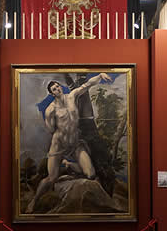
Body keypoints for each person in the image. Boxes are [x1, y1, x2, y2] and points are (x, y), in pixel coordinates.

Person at [27, 73, 112, 212]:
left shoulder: (72, 96)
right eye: (54, 89)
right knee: (52, 178)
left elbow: (87, 85)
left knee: (90, 174)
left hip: (75, 143)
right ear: (51, 93)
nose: (58, 89)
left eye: (58, 86)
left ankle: (67, 165)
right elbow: (51, 129)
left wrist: (100, 75)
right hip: (59, 145)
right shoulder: (50, 110)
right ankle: (34, 201)